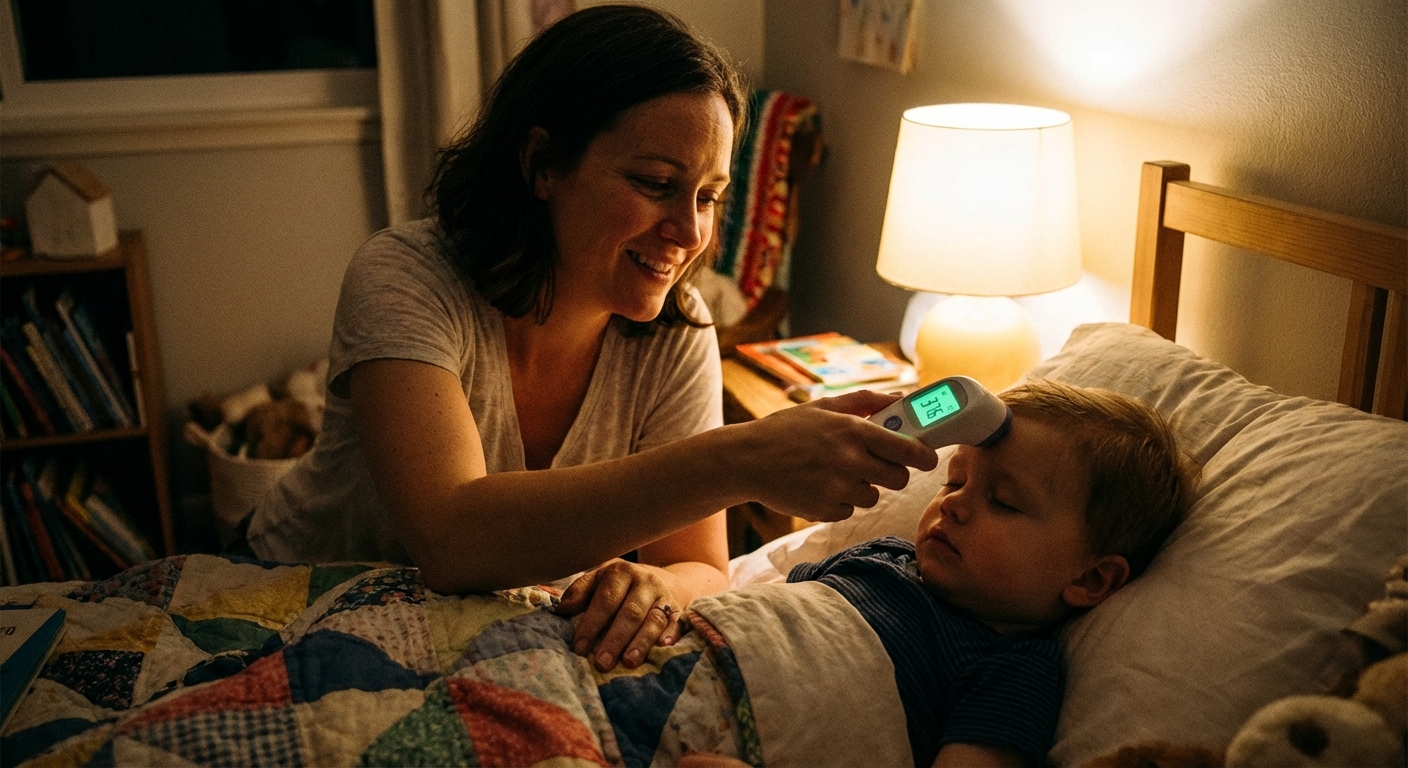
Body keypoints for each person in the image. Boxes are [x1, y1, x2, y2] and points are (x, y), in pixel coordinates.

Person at [240, 3, 937, 675]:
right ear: (543, 164)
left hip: (472, 635)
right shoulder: (407, 274)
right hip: (293, 596)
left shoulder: (676, 328)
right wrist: (740, 457)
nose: (691, 234)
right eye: (657, 183)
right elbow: (451, 538)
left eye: (707, 195)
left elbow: (698, 566)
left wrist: (662, 587)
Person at [680, 380, 1199, 768]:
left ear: (1091, 580)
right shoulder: (881, 555)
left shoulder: (1012, 669)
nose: (953, 506)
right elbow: (768, 616)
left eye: (1005, 502)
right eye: (954, 482)